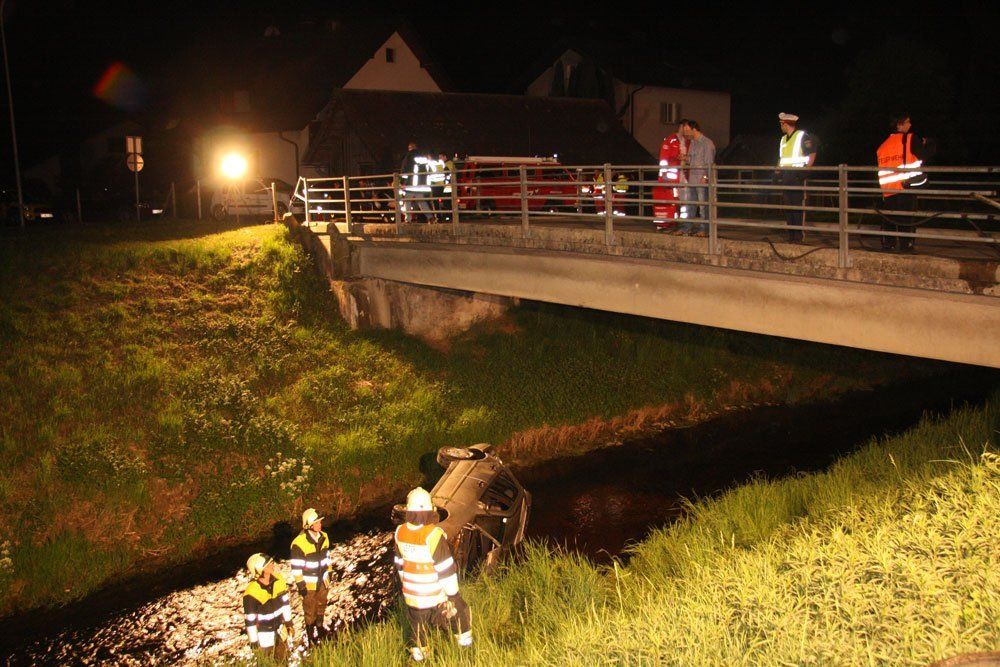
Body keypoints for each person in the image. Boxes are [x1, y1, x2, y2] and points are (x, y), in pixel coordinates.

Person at [394, 487, 473, 662]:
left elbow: (399, 564)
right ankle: (466, 651)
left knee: (417, 629)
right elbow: (445, 569)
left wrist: (406, 587)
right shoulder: (433, 535)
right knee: (458, 613)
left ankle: (420, 659)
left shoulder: (400, 532)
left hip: (413, 597)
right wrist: (453, 595)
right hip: (435, 595)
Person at [876, 113, 933, 252]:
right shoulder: (910, 138)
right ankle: (906, 246)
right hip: (906, 185)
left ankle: (888, 245)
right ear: (899, 124)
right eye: (907, 122)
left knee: (890, 218)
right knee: (907, 219)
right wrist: (930, 144)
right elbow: (924, 156)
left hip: (888, 189)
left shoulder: (883, 145)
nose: (910, 124)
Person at [290, 508, 333, 646]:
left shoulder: (324, 537)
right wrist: (300, 585)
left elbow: (327, 557)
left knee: (322, 604)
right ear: (309, 525)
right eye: (317, 522)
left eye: (320, 522)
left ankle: (320, 627)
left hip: (323, 580)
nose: (320, 524)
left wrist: (330, 572)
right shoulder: (298, 543)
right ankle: (310, 636)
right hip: (309, 585)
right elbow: (296, 567)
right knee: (310, 610)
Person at [243, 553, 293, 663]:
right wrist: (254, 642)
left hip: (281, 631)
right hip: (264, 638)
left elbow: (285, 604)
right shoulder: (251, 593)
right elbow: (250, 622)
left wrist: (289, 623)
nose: (273, 564)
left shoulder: (279, 580)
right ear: (259, 569)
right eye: (269, 564)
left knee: (284, 661)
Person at [776, 112, 817, 242]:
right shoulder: (783, 139)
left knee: (797, 206)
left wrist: (806, 171)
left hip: (798, 175)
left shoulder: (802, 136)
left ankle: (798, 236)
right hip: (786, 175)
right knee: (788, 206)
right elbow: (782, 158)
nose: (781, 126)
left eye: (781, 124)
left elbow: (812, 153)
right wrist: (777, 173)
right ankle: (791, 235)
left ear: (786, 124)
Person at [676, 120, 715, 236]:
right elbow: (692, 159)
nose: (685, 133)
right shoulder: (693, 143)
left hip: (701, 179)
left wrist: (705, 177)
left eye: (687, 130)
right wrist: (685, 158)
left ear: (694, 129)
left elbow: (709, 162)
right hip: (693, 178)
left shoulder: (707, 143)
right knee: (690, 205)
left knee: (703, 206)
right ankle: (686, 228)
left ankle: (704, 229)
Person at [653, 119, 689, 230]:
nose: (687, 130)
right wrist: (663, 174)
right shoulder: (670, 140)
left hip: (683, 175)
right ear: (681, 127)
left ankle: (682, 222)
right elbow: (663, 159)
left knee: (685, 199)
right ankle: (668, 222)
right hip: (671, 177)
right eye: (685, 127)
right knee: (671, 200)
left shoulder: (688, 141)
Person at [400, 141, 432, 223]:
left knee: (407, 202)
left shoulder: (409, 156)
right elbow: (428, 170)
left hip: (411, 184)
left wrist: (402, 181)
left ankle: (408, 219)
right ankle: (430, 217)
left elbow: (405, 170)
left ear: (410, 148)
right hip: (421, 185)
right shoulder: (423, 157)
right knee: (421, 201)